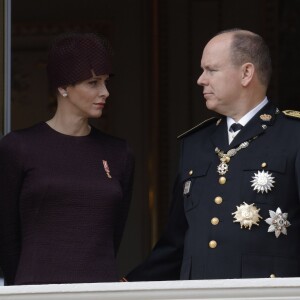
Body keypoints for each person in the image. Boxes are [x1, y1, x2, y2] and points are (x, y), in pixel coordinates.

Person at [124, 28, 300, 281]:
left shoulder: (293, 135)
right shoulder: (195, 144)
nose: (201, 79)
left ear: (246, 73)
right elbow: (176, 243)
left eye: (211, 70)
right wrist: (127, 285)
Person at [0, 32, 134, 285]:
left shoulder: (119, 153)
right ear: (63, 87)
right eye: (93, 82)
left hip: (99, 290)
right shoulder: (18, 147)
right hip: (34, 291)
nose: (105, 91)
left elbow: (113, 235)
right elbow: (6, 235)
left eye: (105, 82)